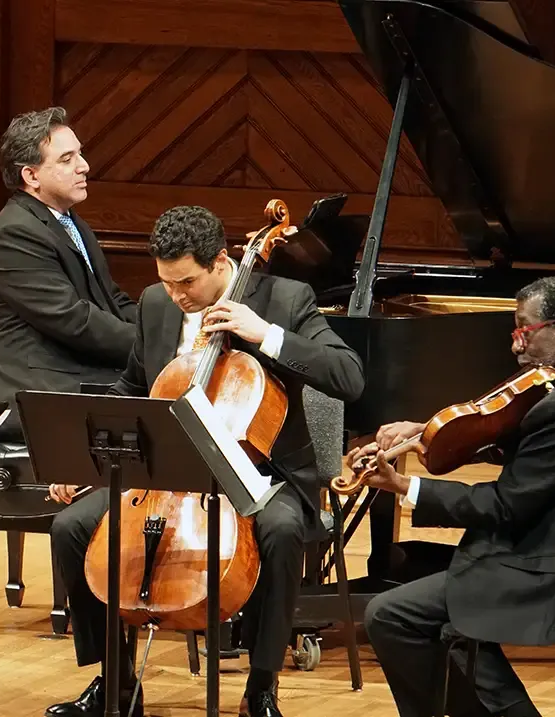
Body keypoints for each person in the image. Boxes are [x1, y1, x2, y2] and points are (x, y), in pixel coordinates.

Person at [45, 205, 366, 717]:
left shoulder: (284, 298)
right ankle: (117, 683)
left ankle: (261, 688)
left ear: (220, 261)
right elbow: (133, 387)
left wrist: (266, 335)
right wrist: (87, 459)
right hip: (165, 478)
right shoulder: (155, 304)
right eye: (167, 283)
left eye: (186, 283)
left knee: (281, 533)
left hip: (261, 474)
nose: (176, 296)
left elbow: (350, 376)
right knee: (70, 528)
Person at [353, 275, 555, 717]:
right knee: (435, 608)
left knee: (390, 614)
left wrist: (404, 485)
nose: (516, 347)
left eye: (524, 331)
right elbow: (548, 457)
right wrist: (429, 432)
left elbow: (503, 506)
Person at [0, 106, 138, 442]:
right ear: (31, 176)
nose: (84, 166)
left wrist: (171, 325)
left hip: (75, 370)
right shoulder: (14, 235)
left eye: (80, 154)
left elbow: (111, 300)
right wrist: (156, 348)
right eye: (67, 159)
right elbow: (75, 321)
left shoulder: (68, 221)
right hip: (40, 389)